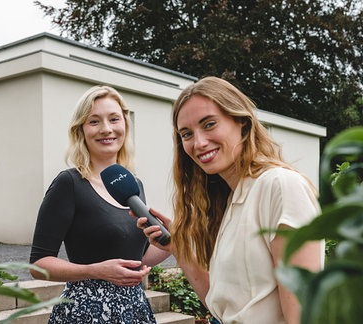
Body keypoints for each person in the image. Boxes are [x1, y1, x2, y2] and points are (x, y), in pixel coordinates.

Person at [139, 76, 324, 324]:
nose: (199, 143)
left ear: (242, 123)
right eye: (187, 134)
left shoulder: (280, 186)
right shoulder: (230, 203)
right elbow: (223, 307)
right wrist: (179, 248)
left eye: (209, 124)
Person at [29, 85, 167, 323]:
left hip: (134, 309)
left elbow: (139, 257)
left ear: (125, 124)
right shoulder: (69, 183)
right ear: (81, 129)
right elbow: (38, 264)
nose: (107, 129)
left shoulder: (134, 184)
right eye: (94, 121)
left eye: (114, 119)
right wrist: (94, 271)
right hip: (85, 310)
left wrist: (173, 243)